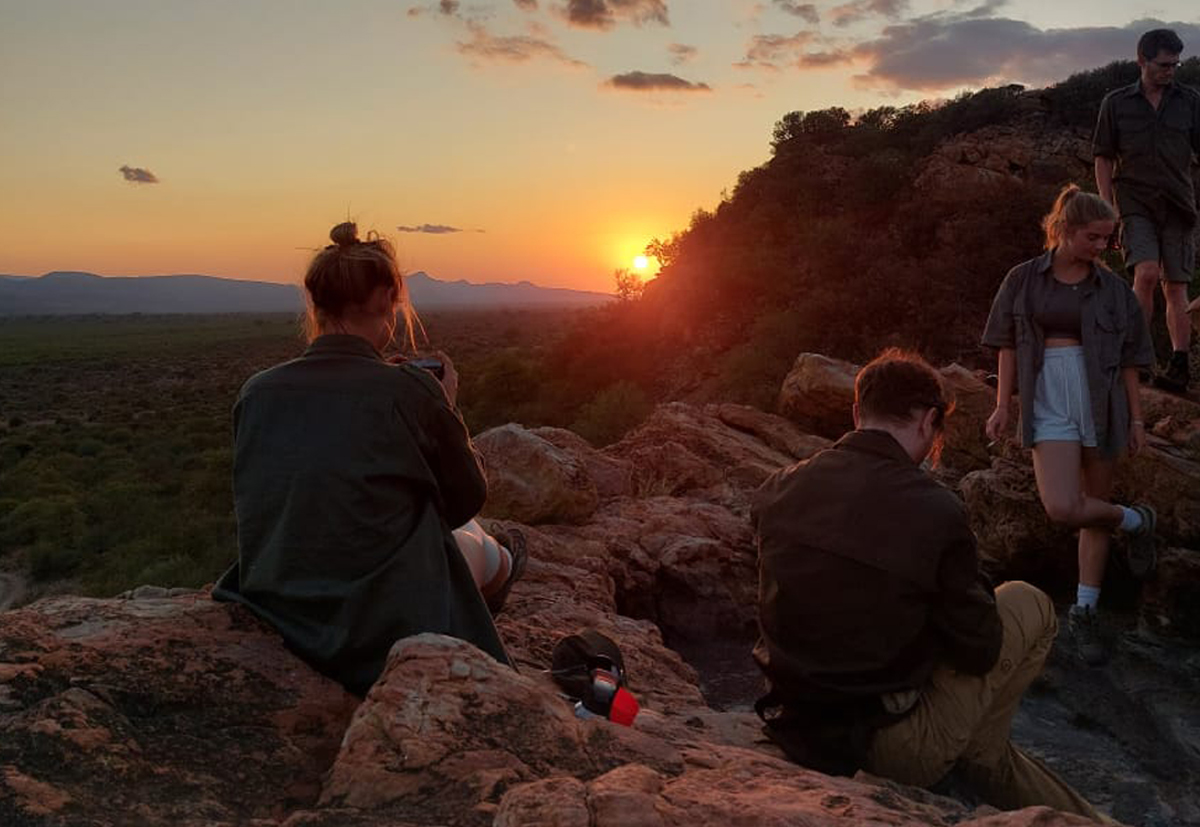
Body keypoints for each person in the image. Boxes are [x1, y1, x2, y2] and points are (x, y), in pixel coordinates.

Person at [753, 350, 1100, 819]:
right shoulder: (935, 510)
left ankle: (989, 757)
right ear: (929, 421)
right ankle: (983, 752)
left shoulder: (779, 487)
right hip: (885, 746)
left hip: (792, 723)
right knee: (1027, 602)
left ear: (858, 413)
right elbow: (980, 648)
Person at [213, 222, 525, 696]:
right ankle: (498, 583)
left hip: (278, 604)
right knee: (487, 548)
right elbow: (464, 500)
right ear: (385, 299)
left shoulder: (256, 392)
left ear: (316, 303)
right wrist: (444, 405)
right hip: (377, 625)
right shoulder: (411, 391)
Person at [983, 185, 1156, 666]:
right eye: (1093, 238)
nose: (1102, 248)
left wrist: (1137, 418)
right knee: (1063, 506)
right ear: (1063, 231)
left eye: (1107, 239)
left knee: (1091, 505)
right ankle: (1137, 520)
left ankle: (1085, 609)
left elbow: (1130, 361)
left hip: (1100, 398)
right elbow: (1007, 345)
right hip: (1047, 398)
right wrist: (1002, 406)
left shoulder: (1114, 290)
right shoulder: (1022, 279)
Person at [1093, 27, 1200, 393]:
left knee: (1177, 286)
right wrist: (1106, 207)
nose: (1171, 71)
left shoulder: (1189, 101)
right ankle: (1138, 358)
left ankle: (1179, 364)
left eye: (1175, 64)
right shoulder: (1116, 103)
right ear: (1142, 60)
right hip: (1134, 202)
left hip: (1178, 203)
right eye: (1163, 64)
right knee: (1147, 274)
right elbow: (1103, 157)